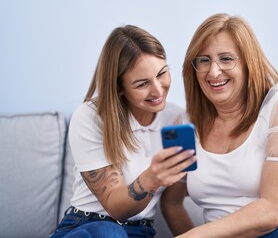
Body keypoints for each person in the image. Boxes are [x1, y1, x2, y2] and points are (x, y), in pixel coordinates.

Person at [161, 13, 278, 238]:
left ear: (248, 63)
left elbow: (274, 212)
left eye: (226, 59)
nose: (213, 71)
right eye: (204, 60)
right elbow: (171, 203)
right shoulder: (188, 124)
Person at [51, 25, 196, 238]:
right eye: (142, 83)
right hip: (90, 226)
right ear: (119, 88)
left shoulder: (177, 119)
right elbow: (114, 206)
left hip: (141, 231)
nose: (157, 90)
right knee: (110, 232)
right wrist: (152, 178)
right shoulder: (91, 116)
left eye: (162, 73)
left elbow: (172, 205)